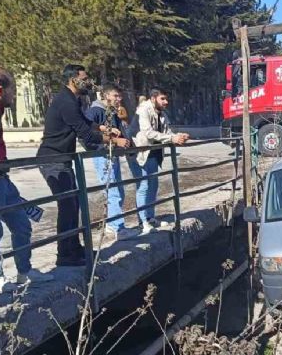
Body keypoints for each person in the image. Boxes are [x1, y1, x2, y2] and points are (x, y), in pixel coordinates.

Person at [0, 67, 54, 296]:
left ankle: (25, 271)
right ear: (0, 90)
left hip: (1, 177)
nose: (14, 95)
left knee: (22, 224)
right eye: (12, 90)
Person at [37, 64, 128, 267]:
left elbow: (85, 124)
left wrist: (102, 127)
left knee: (74, 203)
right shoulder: (66, 101)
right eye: (84, 78)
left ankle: (74, 247)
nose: (88, 82)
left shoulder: (72, 99)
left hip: (63, 159)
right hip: (53, 160)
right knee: (67, 205)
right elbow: (84, 133)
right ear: (72, 80)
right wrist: (114, 141)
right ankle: (64, 255)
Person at [128, 89, 189, 235]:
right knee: (143, 185)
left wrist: (177, 136)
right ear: (153, 98)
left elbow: (167, 132)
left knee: (153, 184)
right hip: (139, 152)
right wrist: (171, 139)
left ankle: (150, 217)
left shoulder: (161, 112)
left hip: (153, 152)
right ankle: (142, 222)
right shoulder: (143, 110)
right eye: (163, 99)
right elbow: (147, 132)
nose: (166, 102)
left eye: (166, 99)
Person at [85, 84, 136, 241]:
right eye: (115, 96)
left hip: (112, 153)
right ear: (106, 96)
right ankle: (117, 228)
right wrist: (104, 137)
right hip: (102, 155)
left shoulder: (113, 112)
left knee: (118, 190)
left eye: (120, 96)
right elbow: (87, 131)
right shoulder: (95, 111)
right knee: (112, 191)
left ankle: (112, 224)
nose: (118, 99)